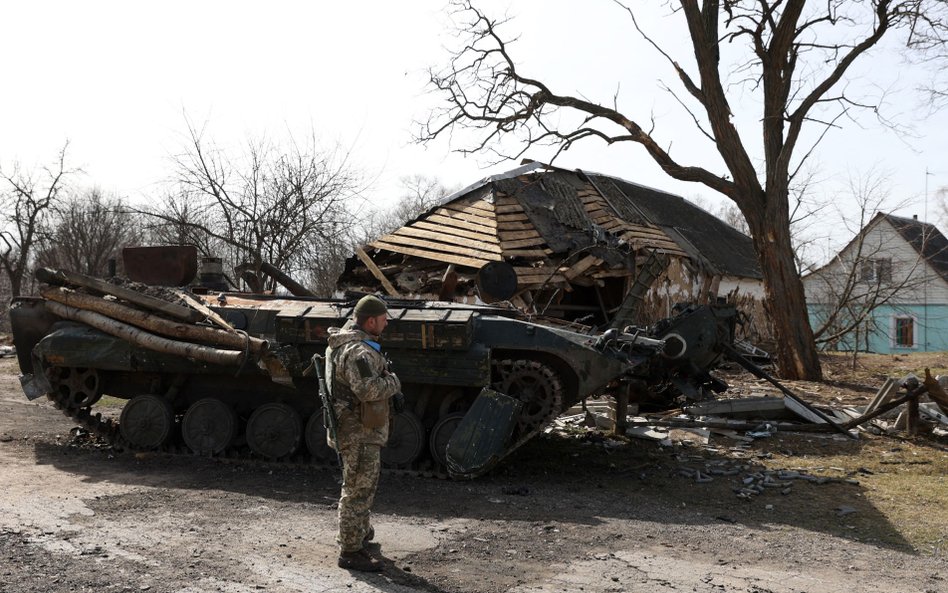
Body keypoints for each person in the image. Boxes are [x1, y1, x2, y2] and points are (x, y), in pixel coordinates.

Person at [324, 295, 402, 572]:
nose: (386, 323)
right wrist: (393, 381)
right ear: (370, 321)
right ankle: (350, 551)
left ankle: (358, 535)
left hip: (358, 428)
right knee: (357, 489)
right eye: (383, 319)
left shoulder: (352, 345)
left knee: (361, 487)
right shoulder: (359, 352)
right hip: (358, 432)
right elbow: (368, 389)